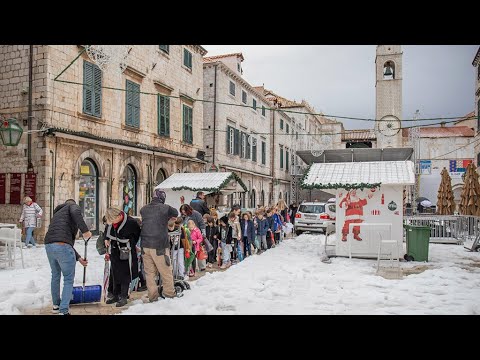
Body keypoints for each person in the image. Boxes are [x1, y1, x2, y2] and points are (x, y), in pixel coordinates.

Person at [44, 199, 91, 315]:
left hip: (49, 245)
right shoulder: (72, 206)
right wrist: (85, 231)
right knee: (68, 279)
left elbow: (65, 242)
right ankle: (63, 310)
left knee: (55, 275)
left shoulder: (57, 215)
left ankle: (56, 306)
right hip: (62, 246)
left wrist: (79, 258)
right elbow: (64, 243)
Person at [140, 188, 180, 302]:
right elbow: (175, 213)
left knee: (149, 274)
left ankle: (153, 297)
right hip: (159, 246)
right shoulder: (166, 208)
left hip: (145, 246)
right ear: (163, 198)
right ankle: (169, 295)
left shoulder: (143, 209)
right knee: (165, 271)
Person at [103, 208, 140, 307]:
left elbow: (137, 235)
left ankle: (123, 296)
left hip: (126, 249)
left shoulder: (131, 222)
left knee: (125, 272)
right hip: (114, 249)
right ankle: (115, 294)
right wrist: (106, 239)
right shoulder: (111, 222)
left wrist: (131, 244)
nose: (111, 223)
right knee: (114, 272)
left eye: (112, 220)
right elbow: (107, 229)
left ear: (119, 216)